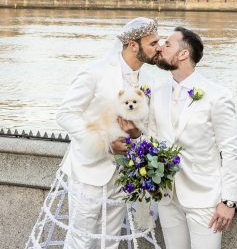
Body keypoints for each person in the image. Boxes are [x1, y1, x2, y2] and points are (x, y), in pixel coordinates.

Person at [56, 17, 162, 249]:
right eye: (153, 43)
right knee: (81, 240)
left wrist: (136, 136)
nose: (159, 47)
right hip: (89, 172)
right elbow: (65, 114)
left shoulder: (151, 80)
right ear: (134, 45)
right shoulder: (95, 72)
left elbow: (150, 129)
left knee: (111, 240)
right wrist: (105, 143)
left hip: (123, 175)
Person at [149, 26, 237, 249]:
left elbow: (230, 150)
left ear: (183, 54)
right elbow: (151, 140)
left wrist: (228, 201)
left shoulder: (217, 95)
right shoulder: (157, 92)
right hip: (167, 196)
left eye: (168, 44)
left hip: (205, 199)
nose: (160, 47)